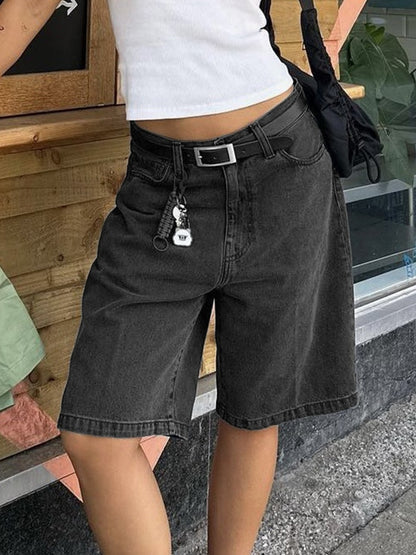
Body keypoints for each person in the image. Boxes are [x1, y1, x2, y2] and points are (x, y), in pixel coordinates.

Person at [1, 1, 359, 553]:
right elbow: (25, 12)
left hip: (281, 163)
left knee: (254, 411)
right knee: (95, 435)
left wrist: (328, 40)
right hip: (160, 183)